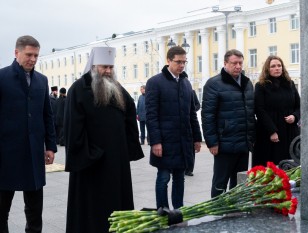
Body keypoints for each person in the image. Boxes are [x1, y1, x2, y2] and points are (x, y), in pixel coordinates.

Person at [64, 47, 144, 233]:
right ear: (93, 66)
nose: (108, 71)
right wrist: (90, 153)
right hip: (92, 162)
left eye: (110, 67)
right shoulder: (78, 89)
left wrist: (126, 147)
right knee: (93, 210)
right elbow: (72, 128)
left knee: (116, 203)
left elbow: (130, 111)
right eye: (104, 67)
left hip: (116, 161)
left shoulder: (117, 88)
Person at [0, 35, 56, 233]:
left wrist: (50, 146)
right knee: (2, 209)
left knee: (34, 209)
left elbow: (47, 115)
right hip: (6, 154)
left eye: (36, 56)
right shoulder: (2, 77)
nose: (32, 59)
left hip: (33, 154)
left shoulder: (42, 80)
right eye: (29, 54)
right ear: (16, 53)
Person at [146, 46, 202, 210]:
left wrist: (197, 138)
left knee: (180, 178)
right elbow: (151, 115)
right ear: (168, 61)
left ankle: (178, 210)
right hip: (164, 141)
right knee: (163, 177)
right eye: (178, 62)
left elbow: (192, 113)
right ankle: (162, 210)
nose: (182, 65)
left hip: (183, 140)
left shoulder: (185, 83)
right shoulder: (155, 82)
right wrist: (155, 142)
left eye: (184, 62)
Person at [201, 49, 255, 198]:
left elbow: (251, 112)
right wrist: (212, 142)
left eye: (240, 63)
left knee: (239, 182)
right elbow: (207, 116)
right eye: (234, 63)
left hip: (243, 143)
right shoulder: (213, 84)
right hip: (224, 143)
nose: (238, 66)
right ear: (225, 63)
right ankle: (217, 212)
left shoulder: (247, 83)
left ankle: (236, 210)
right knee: (220, 182)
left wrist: (252, 138)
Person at [253, 55, 300, 166]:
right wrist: (272, 131)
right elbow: (259, 109)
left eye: (279, 66)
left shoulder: (290, 84)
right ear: (267, 69)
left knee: (289, 164)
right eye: (273, 66)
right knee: (271, 165)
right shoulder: (261, 86)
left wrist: (294, 116)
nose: (277, 68)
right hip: (269, 132)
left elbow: (299, 105)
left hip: (289, 130)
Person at [185, 90, 201, 176]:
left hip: (190, 122)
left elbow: (198, 105)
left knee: (191, 147)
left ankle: (189, 169)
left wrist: (191, 110)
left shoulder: (191, 92)